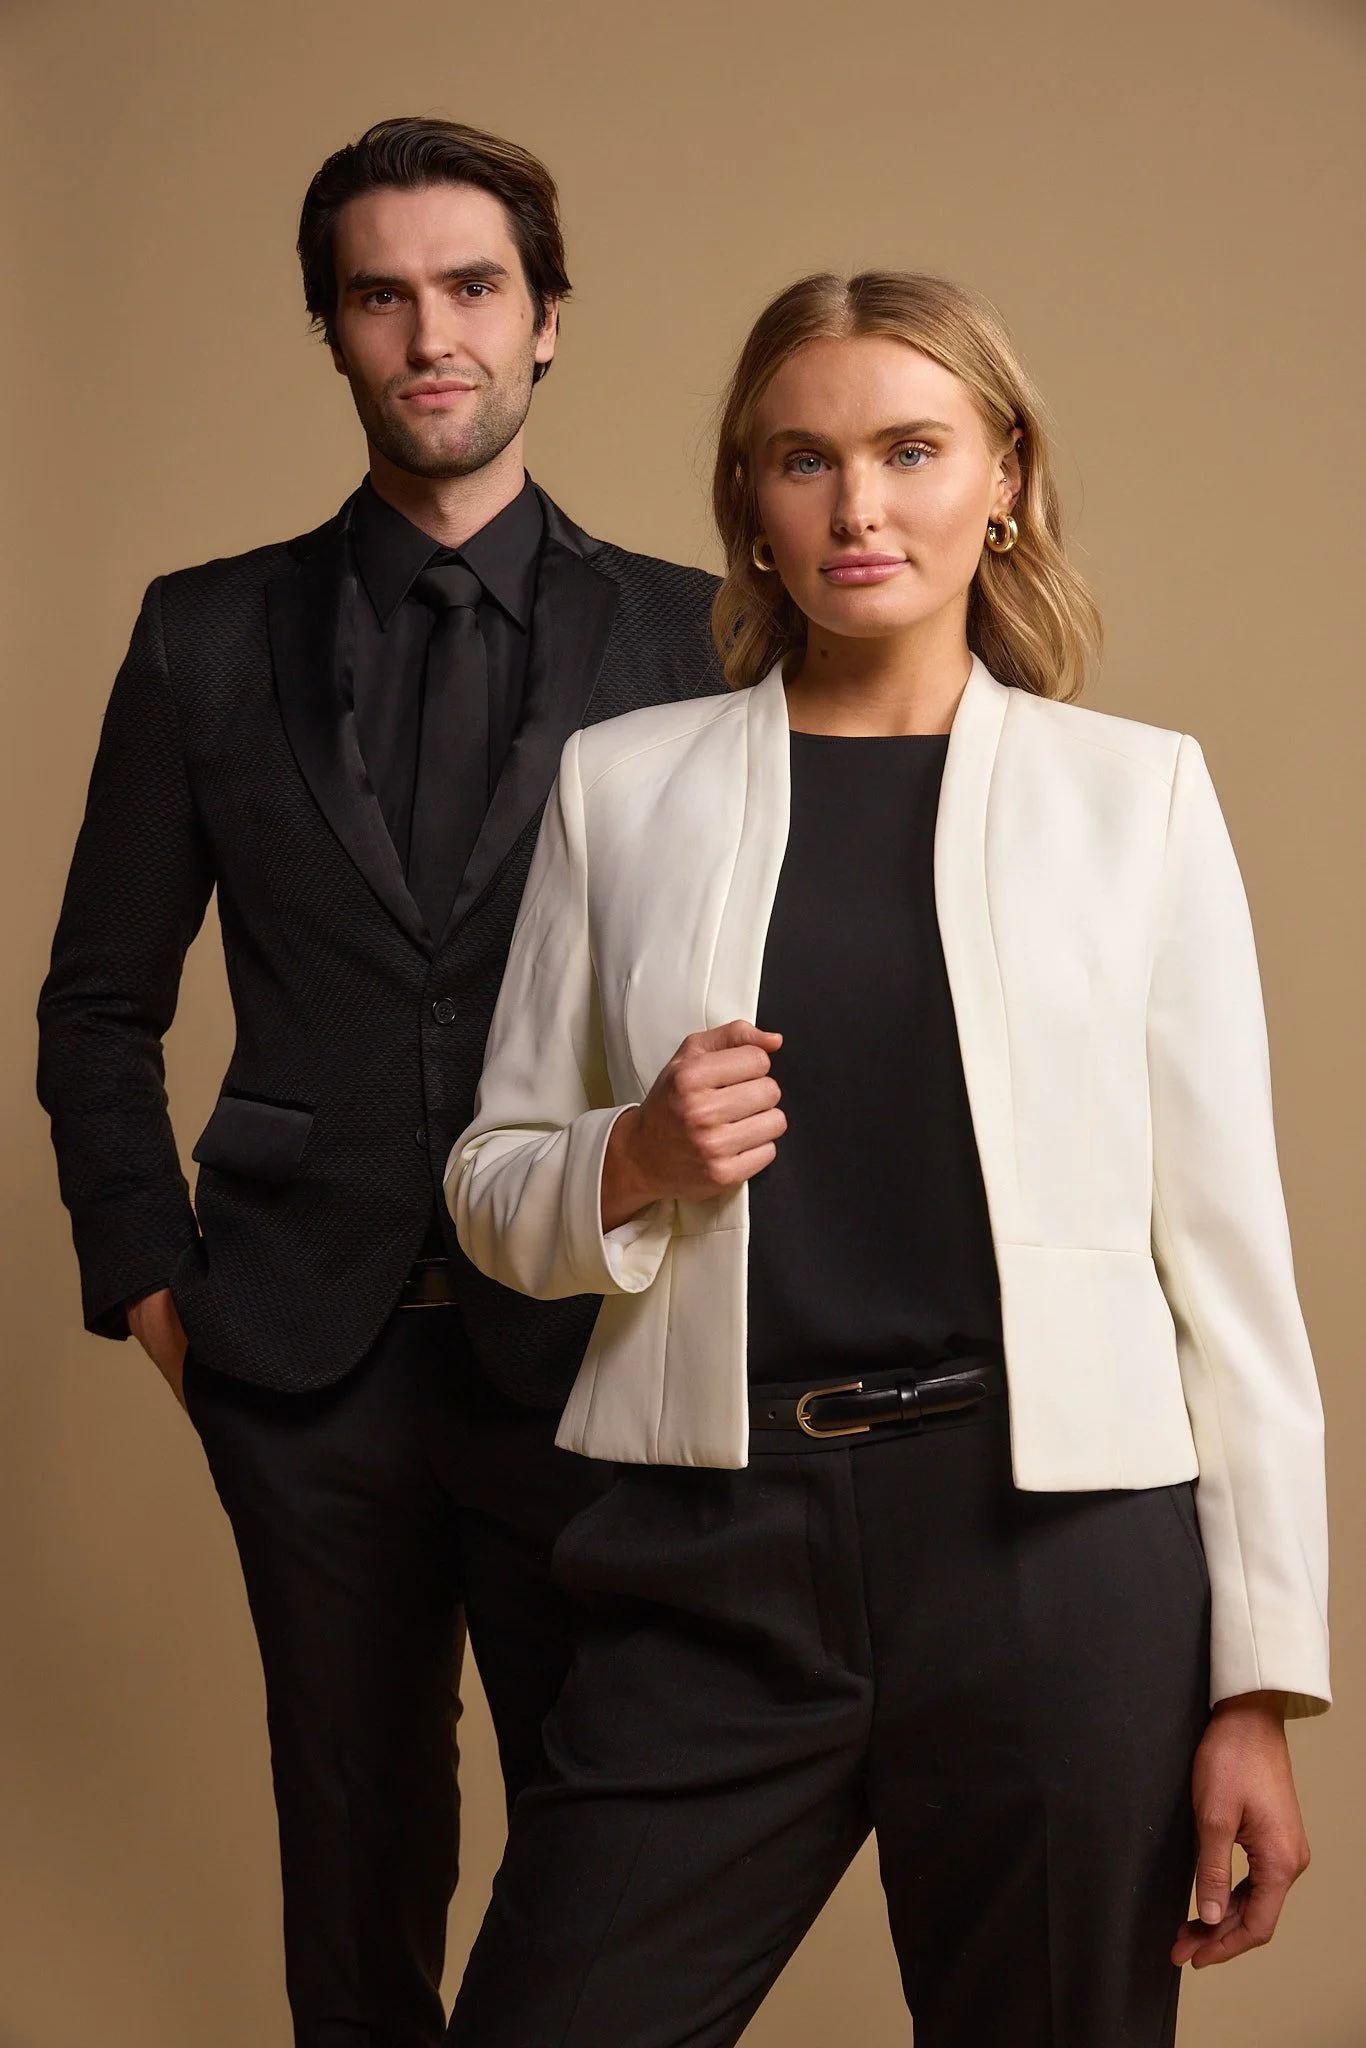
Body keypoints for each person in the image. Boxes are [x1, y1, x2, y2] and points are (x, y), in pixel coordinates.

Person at [443, 271, 1330, 2048]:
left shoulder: (1133, 797)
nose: (858, 507)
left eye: (911, 450)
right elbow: (490, 1184)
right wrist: (628, 1154)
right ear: (751, 508)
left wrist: (1253, 1690)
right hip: (711, 1543)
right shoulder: (626, 786)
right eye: (805, 460)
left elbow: (1229, 1278)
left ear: (1001, 476)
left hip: (1055, 1558)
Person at [37, 116, 721, 2048]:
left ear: (546, 321)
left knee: (608, 1862)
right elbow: (96, 1003)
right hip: (294, 1352)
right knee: (350, 1863)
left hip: (584, 1346)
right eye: (381, 296)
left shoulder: (689, 636)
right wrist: (157, 1293)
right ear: (333, 333)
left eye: (473, 288)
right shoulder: (203, 633)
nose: (432, 333)